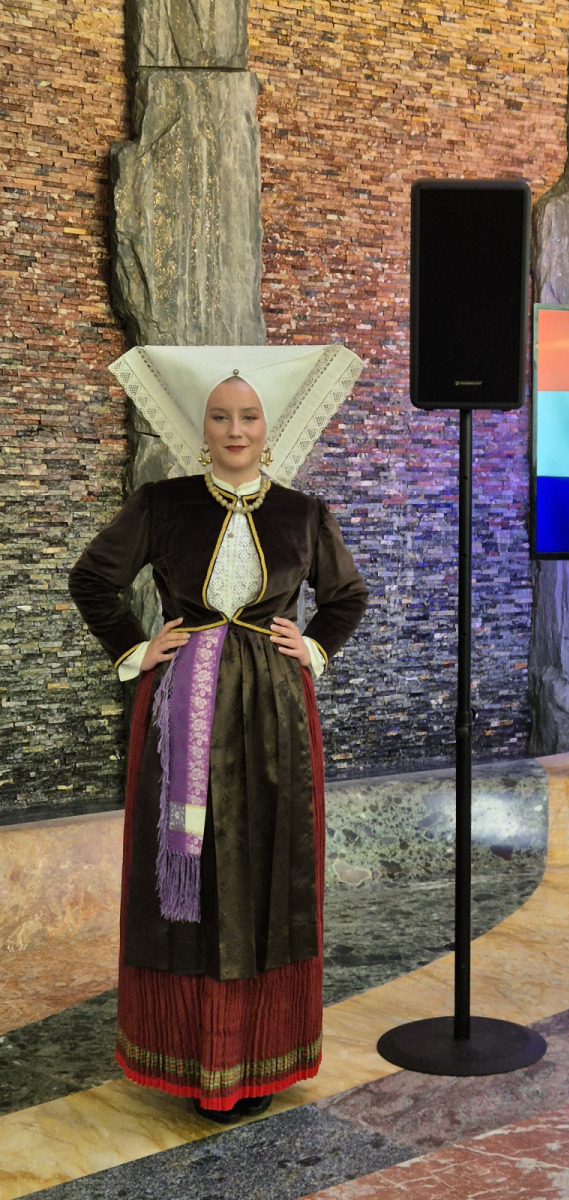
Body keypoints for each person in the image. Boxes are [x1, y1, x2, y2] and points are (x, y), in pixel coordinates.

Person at [69, 345, 368, 1123]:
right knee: (191, 876)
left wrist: (314, 647)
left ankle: (262, 1053)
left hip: (275, 713)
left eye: (249, 417)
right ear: (201, 429)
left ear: (269, 427)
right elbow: (92, 579)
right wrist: (137, 648)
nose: (236, 430)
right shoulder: (161, 504)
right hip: (182, 712)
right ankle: (195, 1057)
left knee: (270, 870)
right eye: (221, 417)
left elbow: (346, 596)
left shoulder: (304, 513)